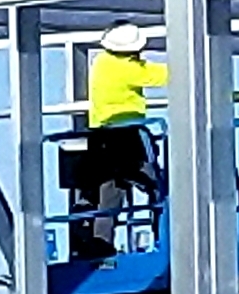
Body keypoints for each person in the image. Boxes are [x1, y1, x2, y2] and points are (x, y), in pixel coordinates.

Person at [67, 22, 170, 256]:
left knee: (107, 189)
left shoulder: (101, 63)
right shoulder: (131, 69)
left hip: (100, 134)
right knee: (156, 187)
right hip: (127, 137)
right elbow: (165, 75)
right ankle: (164, 235)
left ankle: (96, 238)